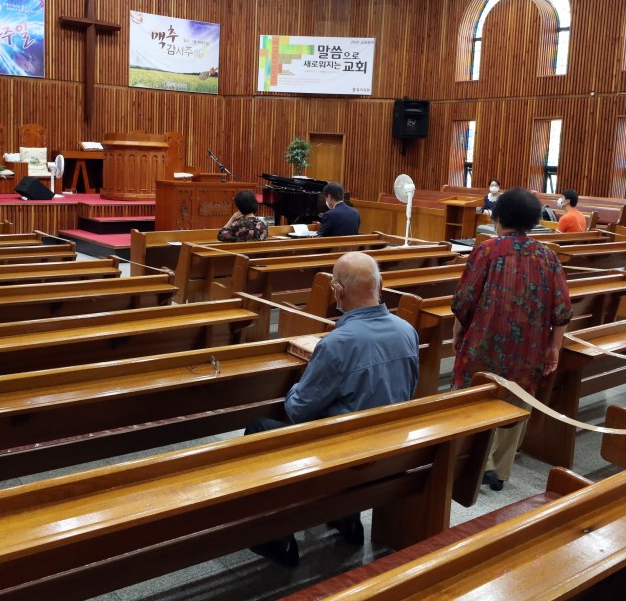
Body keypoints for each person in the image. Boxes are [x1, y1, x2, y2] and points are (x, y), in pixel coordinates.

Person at [244, 251, 419, 566]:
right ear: (381, 284)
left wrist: (301, 381)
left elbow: (298, 409)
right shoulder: (407, 331)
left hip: (343, 456)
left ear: (337, 292)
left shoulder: (338, 343)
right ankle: (346, 518)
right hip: (390, 449)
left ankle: (276, 538)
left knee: (258, 428)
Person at [451, 188, 572, 491]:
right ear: (533, 221)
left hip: (484, 344)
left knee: (475, 397)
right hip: (528, 348)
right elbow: (562, 310)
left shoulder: (488, 250)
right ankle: (499, 470)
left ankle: (470, 463)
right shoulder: (547, 255)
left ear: (497, 216)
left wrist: (457, 331)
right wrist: (554, 347)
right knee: (518, 400)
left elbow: (465, 300)